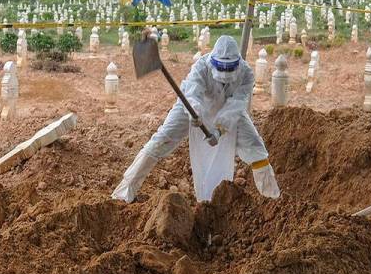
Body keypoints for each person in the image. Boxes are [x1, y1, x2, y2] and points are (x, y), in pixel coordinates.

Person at [112, 35, 280, 203]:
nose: (225, 72)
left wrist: (220, 129)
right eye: (221, 67)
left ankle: (272, 200)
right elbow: (192, 93)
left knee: (255, 146)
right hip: (191, 107)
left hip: (228, 109)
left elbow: (236, 104)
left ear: (237, 63)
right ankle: (123, 194)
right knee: (161, 139)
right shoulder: (201, 66)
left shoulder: (246, 73)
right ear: (214, 62)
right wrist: (196, 113)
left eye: (229, 68)